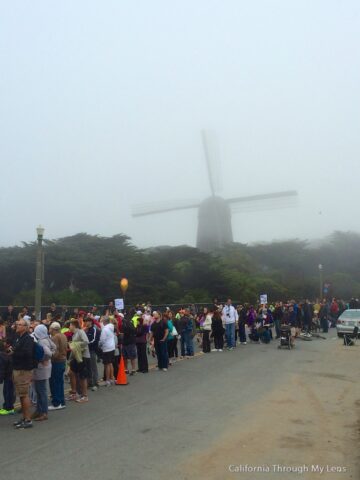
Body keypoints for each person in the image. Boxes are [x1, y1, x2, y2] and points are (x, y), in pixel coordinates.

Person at [12, 317, 35, 429]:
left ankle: (28, 419)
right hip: (17, 368)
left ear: (26, 327)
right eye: (17, 324)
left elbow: (27, 354)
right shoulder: (18, 337)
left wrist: (14, 353)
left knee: (24, 394)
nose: (18, 326)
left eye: (20, 325)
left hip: (23, 370)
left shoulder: (28, 339)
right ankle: (24, 417)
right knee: (21, 395)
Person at [32, 324, 56, 421]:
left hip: (41, 368)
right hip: (45, 367)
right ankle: (39, 410)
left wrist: (43, 359)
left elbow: (48, 353)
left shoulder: (41, 341)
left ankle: (43, 412)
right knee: (39, 390)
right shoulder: (47, 338)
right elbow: (54, 348)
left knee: (41, 391)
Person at [67, 319, 90, 403]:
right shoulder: (74, 335)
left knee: (82, 376)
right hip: (77, 357)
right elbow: (73, 349)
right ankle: (74, 392)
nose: (69, 327)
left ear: (74, 325)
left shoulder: (80, 332)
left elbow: (86, 342)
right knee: (71, 373)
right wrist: (70, 359)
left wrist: (75, 344)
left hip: (83, 356)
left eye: (70, 325)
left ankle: (85, 396)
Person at [48, 322, 67, 410]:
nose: (49, 330)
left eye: (50, 328)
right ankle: (61, 401)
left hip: (56, 361)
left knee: (55, 382)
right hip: (63, 360)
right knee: (60, 382)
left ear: (53, 329)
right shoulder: (63, 335)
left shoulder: (55, 337)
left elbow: (55, 350)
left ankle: (56, 403)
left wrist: (50, 357)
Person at [98, 317, 116, 386]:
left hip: (107, 348)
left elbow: (102, 340)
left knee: (107, 364)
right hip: (112, 346)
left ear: (104, 322)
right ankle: (112, 378)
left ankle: (108, 380)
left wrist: (99, 344)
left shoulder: (105, 329)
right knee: (110, 363)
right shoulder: (111, 327)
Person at [84, 317, 100, 390]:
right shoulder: (85, 330)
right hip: (86, 351)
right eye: (85, 321)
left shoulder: (94, 329)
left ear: (90, 322)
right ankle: (89, 382)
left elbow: (94, 340)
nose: (85, 323)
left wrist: (85, 344)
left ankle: (95, 382)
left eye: (86, 321)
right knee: (87, 367)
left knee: (93, 367)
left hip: (92, 351)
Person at [0, 339, 14, 415]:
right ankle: (9, 406)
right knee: (9, 391)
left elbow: (2, 369)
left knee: (7, 392)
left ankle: (8, 408)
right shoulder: (5, 354)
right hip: (10, 374)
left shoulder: (1, 356)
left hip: (8, 375)